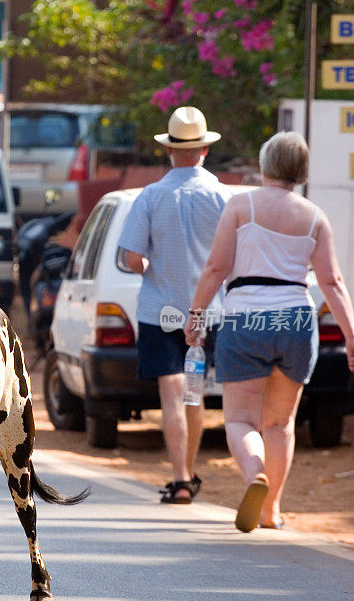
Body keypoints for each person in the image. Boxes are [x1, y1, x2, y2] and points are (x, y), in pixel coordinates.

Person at [184, 131, 354, 532]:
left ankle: (253, 476)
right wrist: (350, 335)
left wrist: (195, 317)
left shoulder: (241, 206)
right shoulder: (314, 216)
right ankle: (271, 509)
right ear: (302, 171)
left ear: (264, 166)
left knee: (240, 420)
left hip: (246, 319)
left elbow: (215, 269)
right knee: (280, 424)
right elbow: (332, 282)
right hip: (296, 320)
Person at [118, 106, 232, 504]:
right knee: (194, 393)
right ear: (203, 149)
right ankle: (190, 474)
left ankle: (180, 477)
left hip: (159, 311)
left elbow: (131, 258)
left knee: (171, 393)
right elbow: (231, 257)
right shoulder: (222, 196)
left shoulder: (150, 196)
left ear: (169, 150)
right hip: (206, 313)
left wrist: (149, 265)